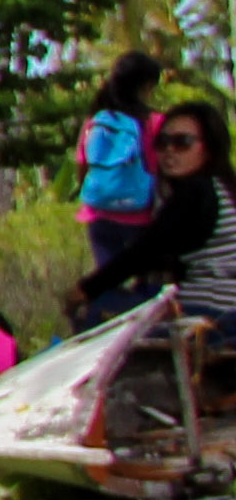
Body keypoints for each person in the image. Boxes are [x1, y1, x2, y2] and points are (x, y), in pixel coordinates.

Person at [72, 97, 234, 351]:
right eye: (162, 142)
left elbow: (146, 250)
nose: (169, 151)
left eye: (183, 143)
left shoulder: (197, 191)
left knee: (96, 313)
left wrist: (85, 290)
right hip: (221, 311)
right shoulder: (223, 189)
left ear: (208, 148)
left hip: (212, 313)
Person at [79, 52, 166, 266]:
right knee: (151, 290)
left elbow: (83, 165)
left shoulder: (97, 121)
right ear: (146, 86)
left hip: (99, 215)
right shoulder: (155, 122)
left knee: (107, 285)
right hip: (143, 216)